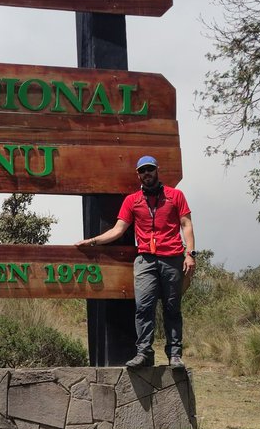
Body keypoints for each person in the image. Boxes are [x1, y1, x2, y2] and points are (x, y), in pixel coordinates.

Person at [76, 155, 196, 369]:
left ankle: (175, 355)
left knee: (172, 308)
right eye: (142, 171)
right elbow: (118, 229)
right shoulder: (132, 200)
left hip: (172, 257)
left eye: (150, 169)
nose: (146, 173)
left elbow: (186, 224)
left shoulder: (175, 195)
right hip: (145, 260)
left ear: (157, 170)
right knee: (143, 307)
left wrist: (190, 253)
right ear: (138, 174)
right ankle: (143, 353)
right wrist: (93, 241)